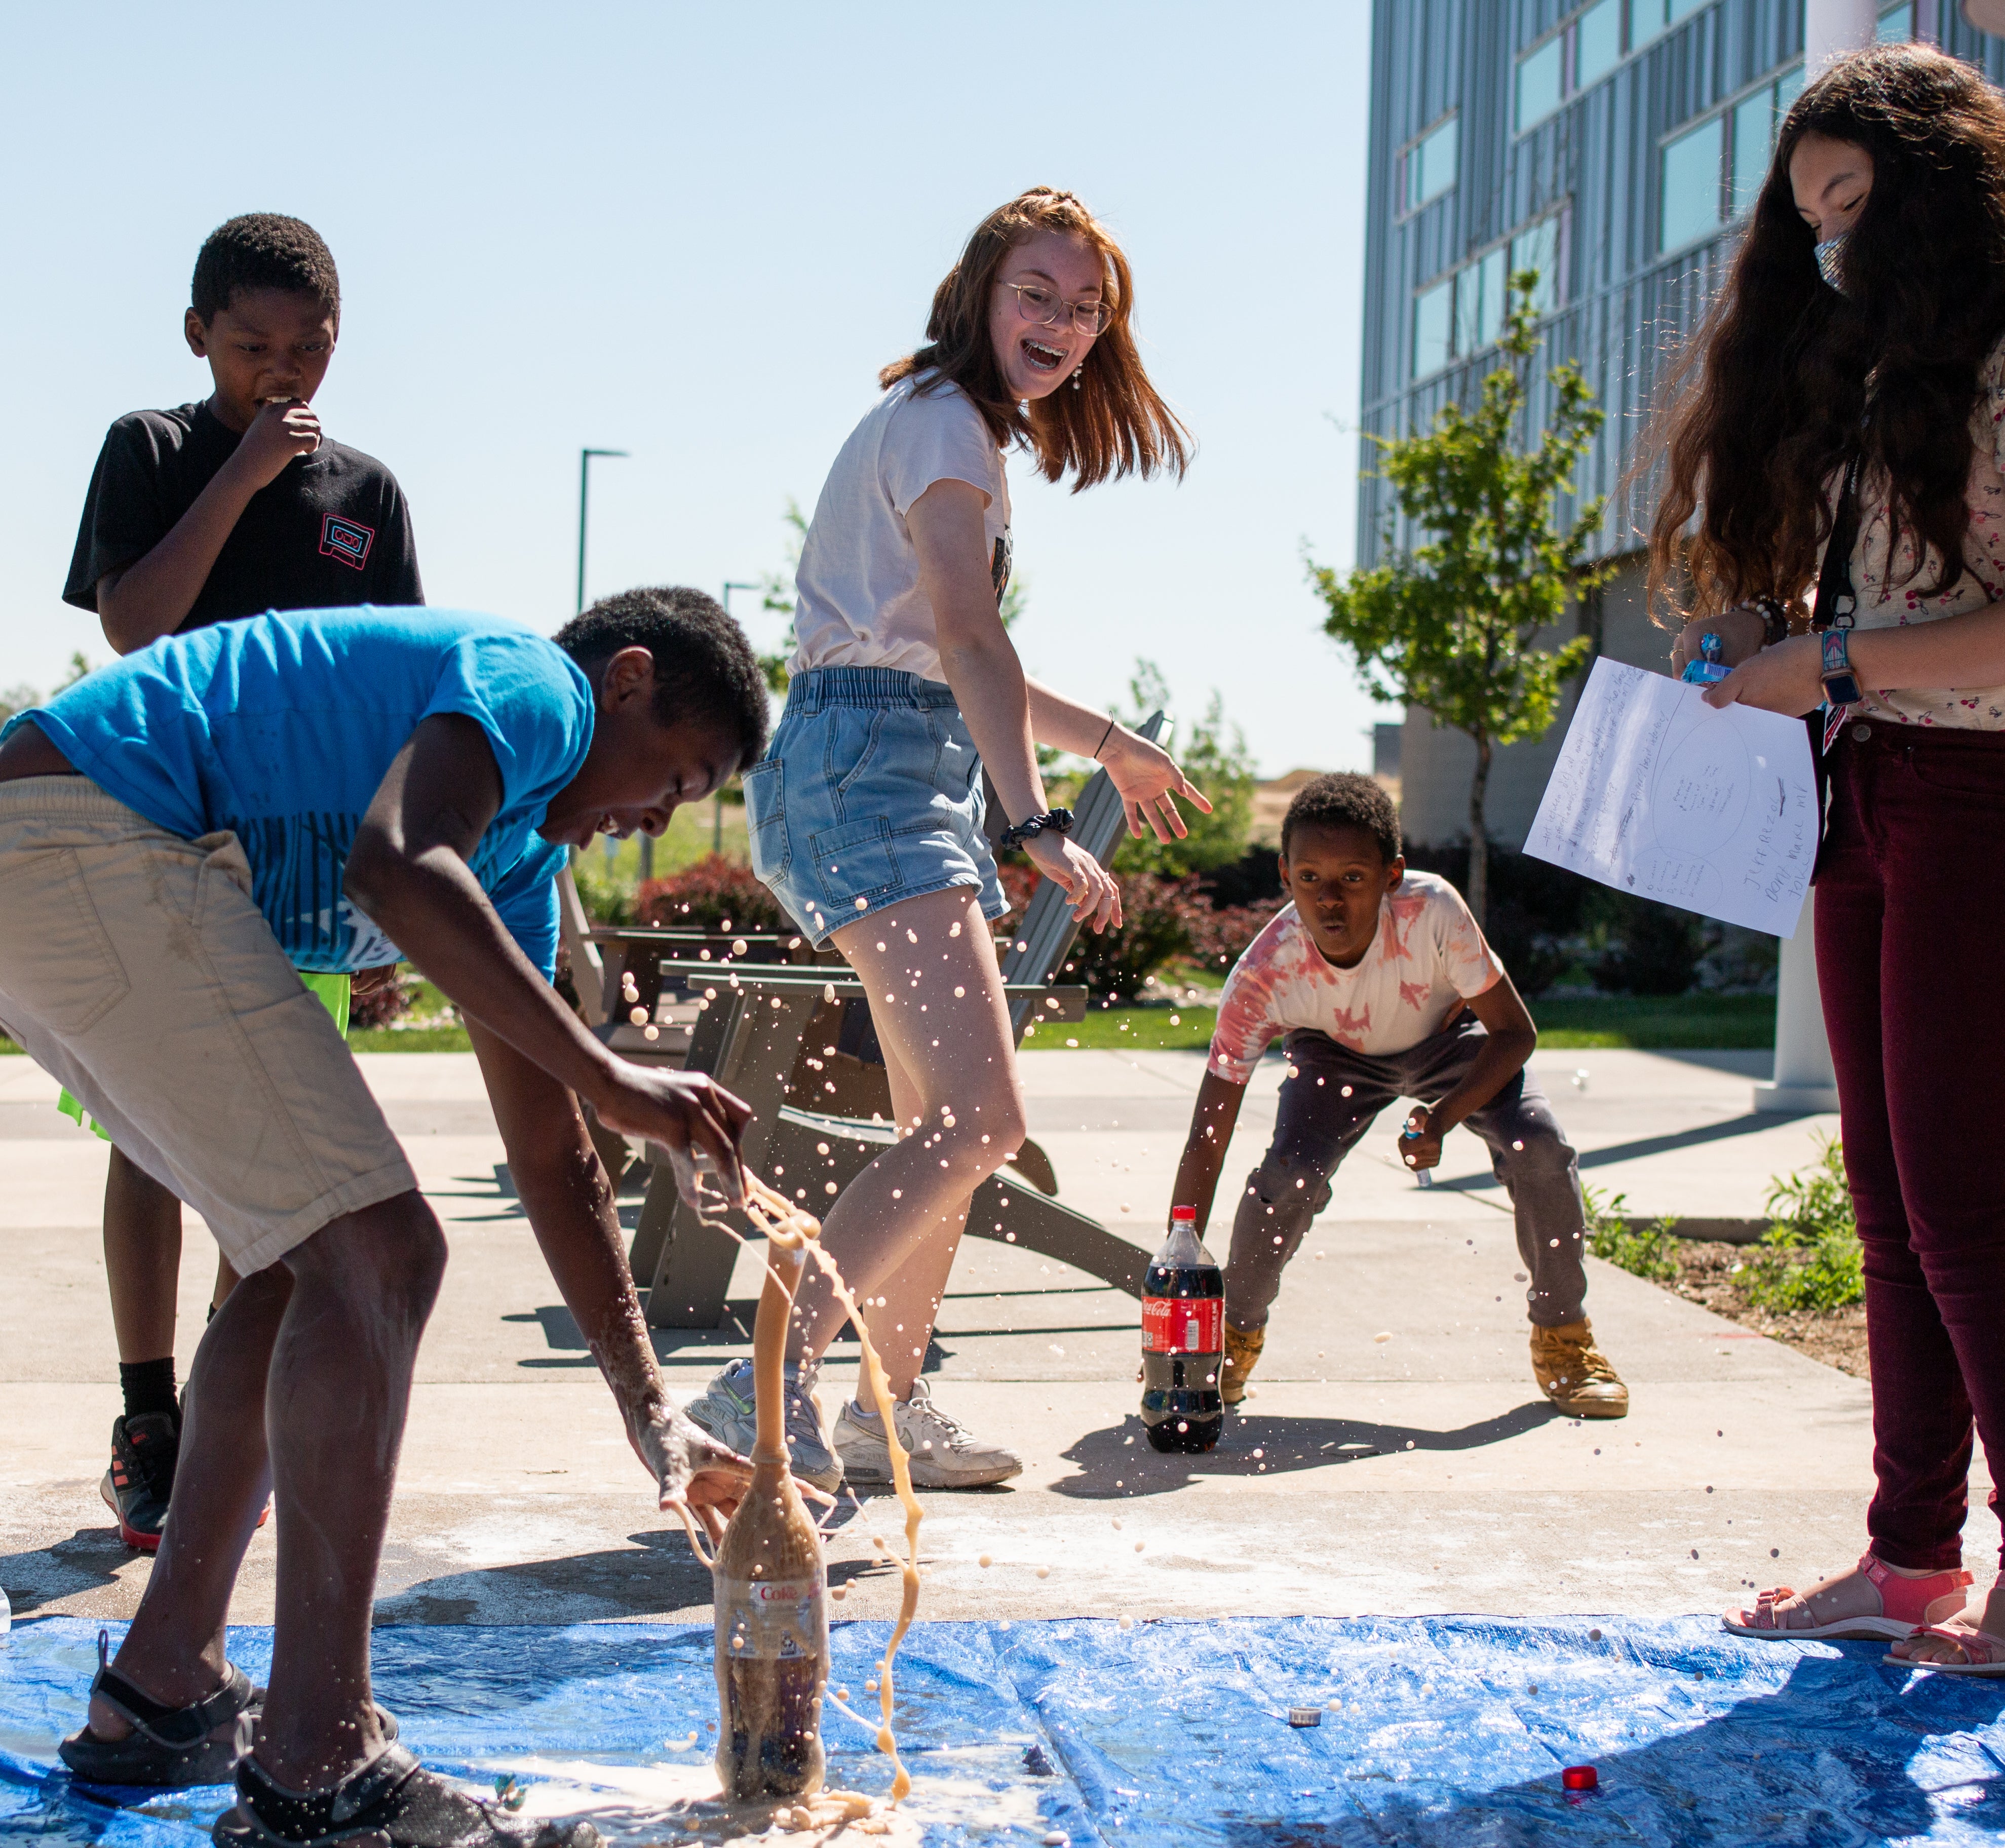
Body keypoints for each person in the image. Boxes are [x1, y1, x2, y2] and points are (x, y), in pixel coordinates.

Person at [6, 589, 760, 1845]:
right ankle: (320, 1767)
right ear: (625, 683)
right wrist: (625, 1076)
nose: (656, 819)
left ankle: (161, 1690)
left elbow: (549, 1151)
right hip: (89, 829)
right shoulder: (537, 686)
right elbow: (393, 864)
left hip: (55, 849)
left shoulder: (513, 855)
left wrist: (650, 1413)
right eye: (678, 778)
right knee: (383, 1248)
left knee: (295, 1260)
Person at [682, 187, 1207, 1491]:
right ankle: (754, 1388)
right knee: (977, 1118)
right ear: (979, 290)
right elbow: (965, 644)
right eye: (1037, 293)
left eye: (1087, 310)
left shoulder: (955, 433)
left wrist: (1105, 748)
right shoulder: (941, 430)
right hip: (871, 772)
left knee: (943, 1128)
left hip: (891, 756)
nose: (1062, 324)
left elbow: (954, 654)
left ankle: (876, 1407)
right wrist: (1032, 818)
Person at [1651, 44, 2005, 1667]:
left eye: (1853, 208)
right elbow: (1881, 616)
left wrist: (1841, 666)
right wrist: (1764, 638)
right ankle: (1908, 1557)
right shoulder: (1871, 381)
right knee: (1882, 1198)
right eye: (1808, 228)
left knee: (1961, 1205)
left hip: (1975, 799)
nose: (1831, 251)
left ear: (1935, 190)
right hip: (1858, 793)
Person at [62, 211, 424, 1551]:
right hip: (157, 821)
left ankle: (232, 1401)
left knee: (273, 1140)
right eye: (253, 344)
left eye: (309, 346)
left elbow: (388, 696)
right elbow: (133, 621)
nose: (283, 371)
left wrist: (387, 898)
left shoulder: (366, 496)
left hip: (304, 843)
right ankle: (147, 1410)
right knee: (156, 1132)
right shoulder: (153, 449)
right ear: (198, 336)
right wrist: (240, 480)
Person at [1164, 774, 1627, 1418]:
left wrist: (1442, 1119)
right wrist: (1177, 1271)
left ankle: (1564, 1338)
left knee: (1539, 1146)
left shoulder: (1431, 910)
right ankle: (1233, 1339)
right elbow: (1207, 1136)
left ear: (1392, 875)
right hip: (1333, 1055)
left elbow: (1515, 1032)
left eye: (1353, 879)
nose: (1329, 901)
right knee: (1289, 1174)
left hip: (1448, 1040)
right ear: (1284, 874)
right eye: (1309, 879)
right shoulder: (1265, 973)